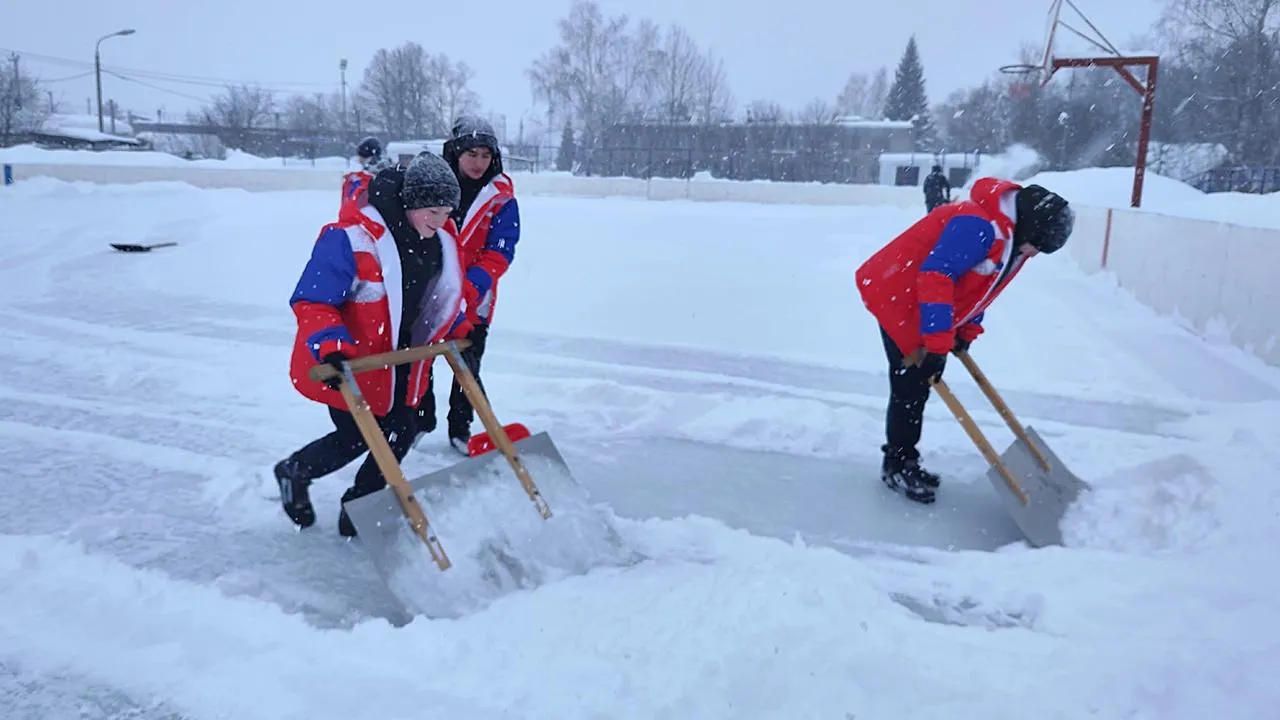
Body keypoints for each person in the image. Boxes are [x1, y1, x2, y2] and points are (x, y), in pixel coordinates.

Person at [274, 151, 475, 537]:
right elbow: (313, 300)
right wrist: (331, 343)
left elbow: (436, 298)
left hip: (401, 362)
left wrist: (459, 325)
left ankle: (359, 505)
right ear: (411, 202)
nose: (441, 221)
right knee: (358, 436)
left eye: (447, 212)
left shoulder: (437, 241)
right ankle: (294, 471)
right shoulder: (350, 239)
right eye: (433, 211)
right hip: (351, 361)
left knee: (403, 430)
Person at [854, 177, 1074, 504]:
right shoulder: (979, 227)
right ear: (1031, 228)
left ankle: (904, 459)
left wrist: (964, 331)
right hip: (897, 296)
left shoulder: (1012, 237)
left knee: (918, 385)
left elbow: (980, 287)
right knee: (910, 386)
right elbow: (936, 277)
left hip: (921, 300)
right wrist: (937, 344)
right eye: (1038, 245)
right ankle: (897, 465)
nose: (1036, 253)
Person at [414, 115, 521, 454]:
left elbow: (500, 250)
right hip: (431, 294)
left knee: (468, 368)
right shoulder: (434, 188)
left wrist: (471, 286)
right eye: (471, 154)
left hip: (476, 300)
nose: (478, 162)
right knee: (419, 361)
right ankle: (420, 420)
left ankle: (460, 428)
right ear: (455, 153)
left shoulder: (501, 198)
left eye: (486, 155)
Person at [340, 136, 395, 216]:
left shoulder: (362, 179)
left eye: (361, 156)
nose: (359, 159)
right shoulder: (389, 173)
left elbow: (353, 206)